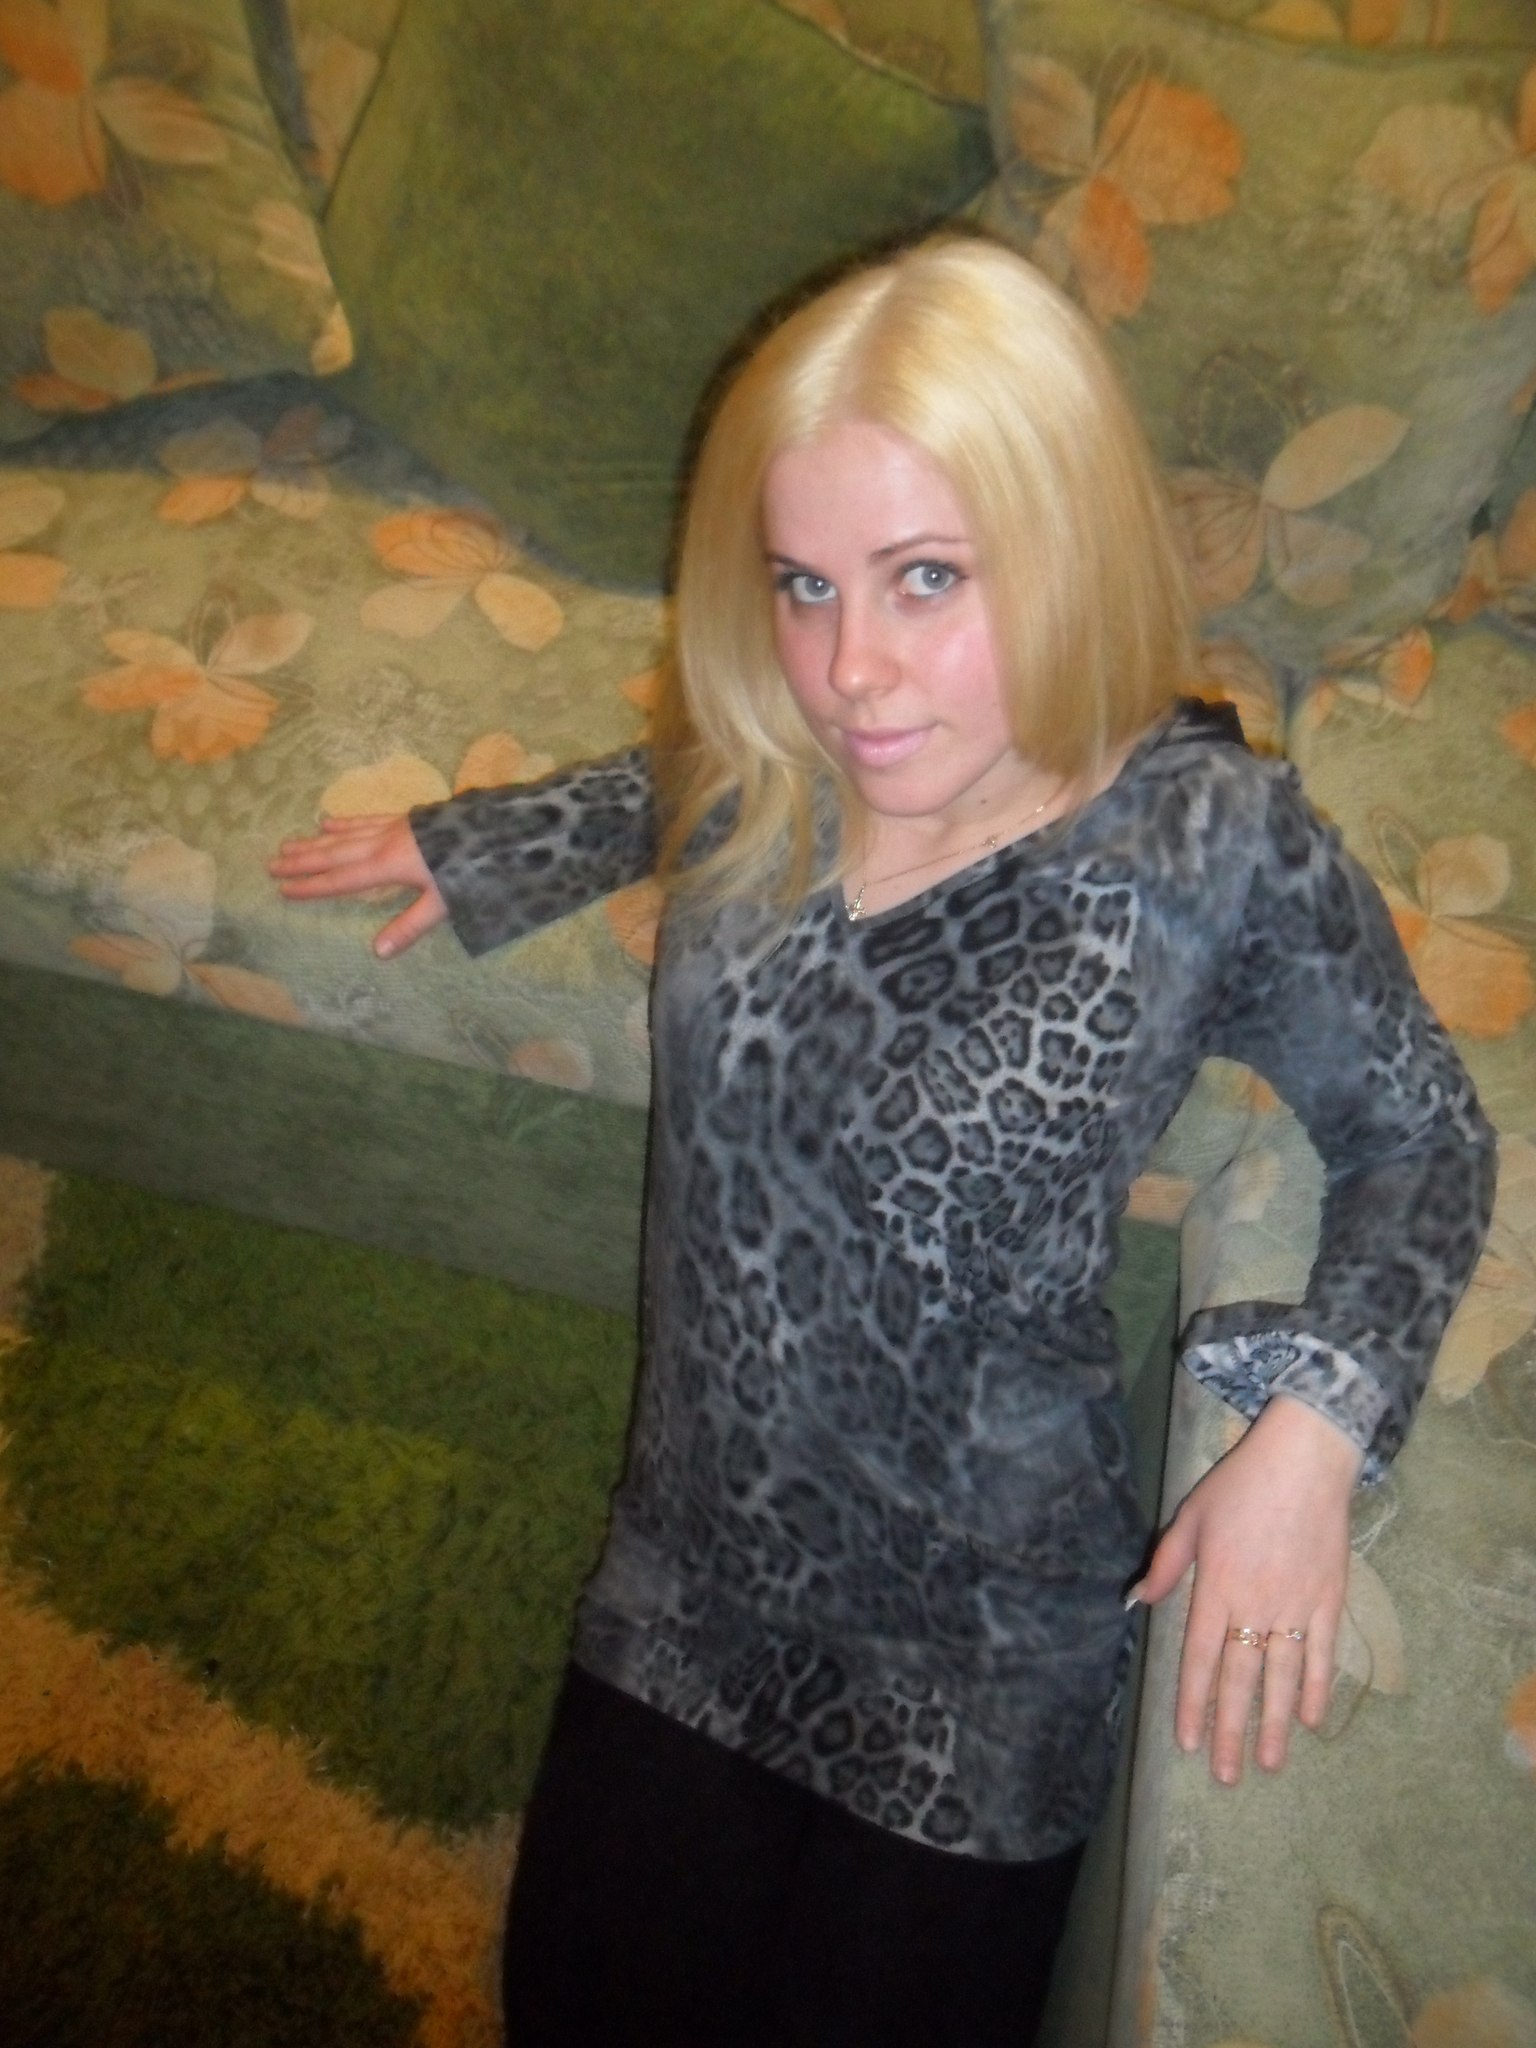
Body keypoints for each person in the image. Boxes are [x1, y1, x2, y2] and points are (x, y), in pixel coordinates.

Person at [269, 234, 1496, 2047]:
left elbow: (1425, 1133)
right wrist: (492, 841)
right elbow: (682, 776)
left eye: (929, 578)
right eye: (805, 583)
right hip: (689, 1573)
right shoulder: (779, 742)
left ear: (1064, 539)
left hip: (981, 1645)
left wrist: (1310, 1438)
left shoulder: (1208, 844)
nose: (853, 668)